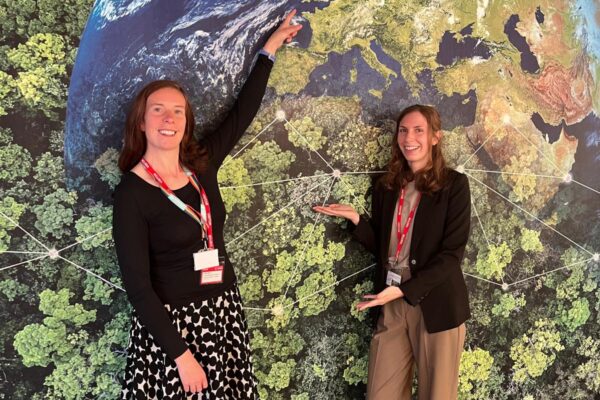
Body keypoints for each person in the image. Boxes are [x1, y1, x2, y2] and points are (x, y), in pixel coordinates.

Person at [112, 11, 302, 399]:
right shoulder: (132, 193)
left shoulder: (201, 163)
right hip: (174, 331)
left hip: (223, 311)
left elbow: (242, 113)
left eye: (177, 111)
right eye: (158, 110)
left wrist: (269, 49)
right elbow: (138, 287)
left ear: (186, 121)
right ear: (142, 123)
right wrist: (181, 355)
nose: (169, 118)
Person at [313, 104, 471, 400]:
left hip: (436, 304)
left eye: (418, 130)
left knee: (437, 395)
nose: (409, 137)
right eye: (403, 130)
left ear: (435, 137)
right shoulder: (386, 187)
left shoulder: (454, 186)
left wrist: (404, 291)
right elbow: (385, 248)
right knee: (380, 393)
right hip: (392, 301)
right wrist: (357, 220)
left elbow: (451, 256)